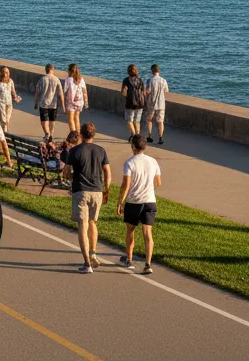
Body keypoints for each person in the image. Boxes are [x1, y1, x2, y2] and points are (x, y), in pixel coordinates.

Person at [61, 124, 111, 273]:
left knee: (82, 225)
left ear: (81, 135)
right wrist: (106, 190)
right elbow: (107, 172)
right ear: (94, 135)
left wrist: (68, 176)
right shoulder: (101, 150)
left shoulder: (75, 151)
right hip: (97, 191)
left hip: (81, 190)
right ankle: (93, 252)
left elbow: (67, 171)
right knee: (92, 222)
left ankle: (87, 264)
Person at [116, 135, 162, 274]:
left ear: (133, 147)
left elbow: (126, 184)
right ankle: (148, 264)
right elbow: (158, 182)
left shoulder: (129, 162)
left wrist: (120, 201)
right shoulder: (153, 161)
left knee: (130, 230)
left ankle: (129, 259)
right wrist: (149, 190)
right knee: (148, 233)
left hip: (133, 201)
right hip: (149, 200)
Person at [35, 63, 65, 141]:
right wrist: (63, 106)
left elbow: (37, 93)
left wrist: (36, 103)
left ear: (46, 70)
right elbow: (60, 94)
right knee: (52, 121)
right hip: (53, 104)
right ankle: (51, 134)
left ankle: (47, 133)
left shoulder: (42, 79)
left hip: (43, 103)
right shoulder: (56, 79)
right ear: (52, 69)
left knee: (43, 121)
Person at [0, 67, 22, 133]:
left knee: (7, 121)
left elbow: (13, 92)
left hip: (9, 104)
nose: (7, 73)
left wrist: (16, 98)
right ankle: (4, 135)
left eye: (8, 72)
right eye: (5, 72)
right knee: (4, 121)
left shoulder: (10, 81)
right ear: (1, 73)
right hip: (0, 104)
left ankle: (3, 134)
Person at [144, 64, 169, 145]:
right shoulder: (163, 80)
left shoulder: (149, 80)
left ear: (152, 71)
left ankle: (149, 136)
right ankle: (160, 138)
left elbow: (148, 91)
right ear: (159, 71)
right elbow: (166, 90)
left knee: (150, 120)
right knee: (160, 121)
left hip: (151, 104)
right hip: (161, 104)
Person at [62, 63, 89, 134]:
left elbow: (65, 92)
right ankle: (78, 134)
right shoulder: (81, 79)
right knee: (77, 117)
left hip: (70, 102)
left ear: (70, 71)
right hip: (79, 102)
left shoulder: (68, 80)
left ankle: (73, 135)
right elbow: (84, 91)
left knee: (71, 118)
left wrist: (63, 102)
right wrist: (86, 103)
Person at [121, 64, 146, 137]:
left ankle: (134, 135)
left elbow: (123, 93)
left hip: (130, 103)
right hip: (140, 103)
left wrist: (127, 94)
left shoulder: (126, 80)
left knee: (129, 121)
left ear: (128, 71)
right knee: (137, 121)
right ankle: (137, 136)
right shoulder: (140, 80)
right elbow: (143, 92)